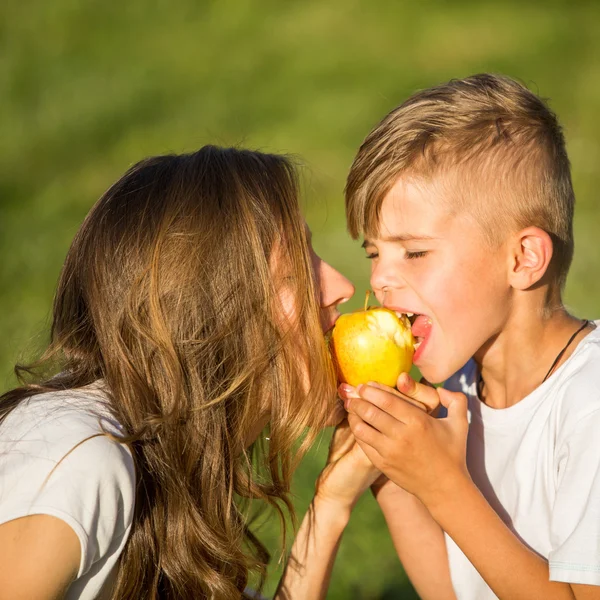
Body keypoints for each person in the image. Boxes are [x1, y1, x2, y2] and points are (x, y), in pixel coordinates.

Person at [0, 145, 380, 600]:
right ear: (214, 312)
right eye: (296, 274)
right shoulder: (82, 455)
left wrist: (333, 503)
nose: (342, 286)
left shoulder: (176, 464)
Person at [340, 73, 600, 600]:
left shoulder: (589, 403)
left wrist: (443, 484)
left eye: (413, 252)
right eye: (374, 254)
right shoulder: (458, 389)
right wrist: (391, 469)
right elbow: (450, 591)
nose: (379, 280)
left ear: (522, 259)